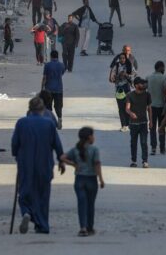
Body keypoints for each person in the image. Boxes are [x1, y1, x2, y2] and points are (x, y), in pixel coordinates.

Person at [12, 97, 65, 235]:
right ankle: (42, 225)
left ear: (29, 110)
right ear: (43, 110)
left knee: (24, 192)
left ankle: (26, 212)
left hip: (26, 164)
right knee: (43, 195)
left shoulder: (21, 123)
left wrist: (17, 155)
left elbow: (14, 145)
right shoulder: (49, 124)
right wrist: (61, 160)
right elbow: (57, 145)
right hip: (44, 164)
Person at [60, 127, 105, 237]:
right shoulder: (94, 150)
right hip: (91, 180)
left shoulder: (76, 149)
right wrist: (101, 179)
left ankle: (83, 228)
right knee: (90, 204)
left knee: (81, 203)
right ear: (89, 137)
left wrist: (73, 164)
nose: (94, 137)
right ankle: (90, 227)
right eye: (93, 135)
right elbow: (97, 164)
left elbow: (62, 157)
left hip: (79, 179)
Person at [125, 77, 152, 168]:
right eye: (141, 83)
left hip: (143, 122)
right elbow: (127, 108)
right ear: (136, 85)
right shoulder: (130, 95)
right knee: (133, 143)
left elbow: (149, 109)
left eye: (144, 83)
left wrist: (151, 121)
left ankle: (145, 161)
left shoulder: (147, 94)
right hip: (133, 124)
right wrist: (131, 113)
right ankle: (134, 161)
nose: (144, 85)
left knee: (144, 142)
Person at [147, 61, 166, 155]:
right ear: (160, 68)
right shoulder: (164, 78)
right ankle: (162, 148)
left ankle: (153, 148)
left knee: (152, 126)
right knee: (161, 126)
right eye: (163, 67)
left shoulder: (148, 77)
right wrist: (165, 103)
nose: (164, 69)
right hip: (161, 106)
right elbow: (165, 91)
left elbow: (146, 91)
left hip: (151, 106)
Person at [42, 50, 65, 129]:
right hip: (59, 88)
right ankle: (59, 118)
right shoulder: (61, 65)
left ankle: (50, 121)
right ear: (57, 56)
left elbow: (44, 77)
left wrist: (42, 87)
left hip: (48, 89)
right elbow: (62, 73)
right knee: (58, 106)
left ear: (51, 56)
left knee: (48, 106)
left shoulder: (47, 65)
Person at [110, 53, 133, 132]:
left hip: (128, 89)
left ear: (125, 59)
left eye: (123, 58)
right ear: (119, 59)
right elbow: (111, 79)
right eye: (120, 58)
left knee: (128, 107)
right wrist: (118, 76)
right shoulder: (116, 66)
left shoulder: (129, 66)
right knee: (121, 108)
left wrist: (126, 75)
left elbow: (134, 76)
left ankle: (129, 124)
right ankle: (123, 125)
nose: (122, 60)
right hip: (119, 89)